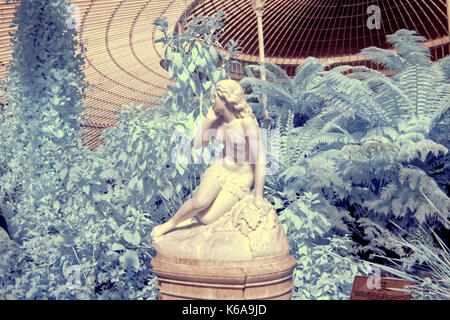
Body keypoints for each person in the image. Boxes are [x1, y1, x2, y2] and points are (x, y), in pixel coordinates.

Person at [151, 79, 267, 239]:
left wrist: (258, 195)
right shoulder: (218, 121)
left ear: (226, 99)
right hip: (220, 168)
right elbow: (198, 144)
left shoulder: (246, 123)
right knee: (200, 202)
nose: (212, 101)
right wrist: (208, 120)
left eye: (215, 97)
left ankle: (190, 220)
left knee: (207, 218)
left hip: (240, 178)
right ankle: (170, 223)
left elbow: (260, 159)